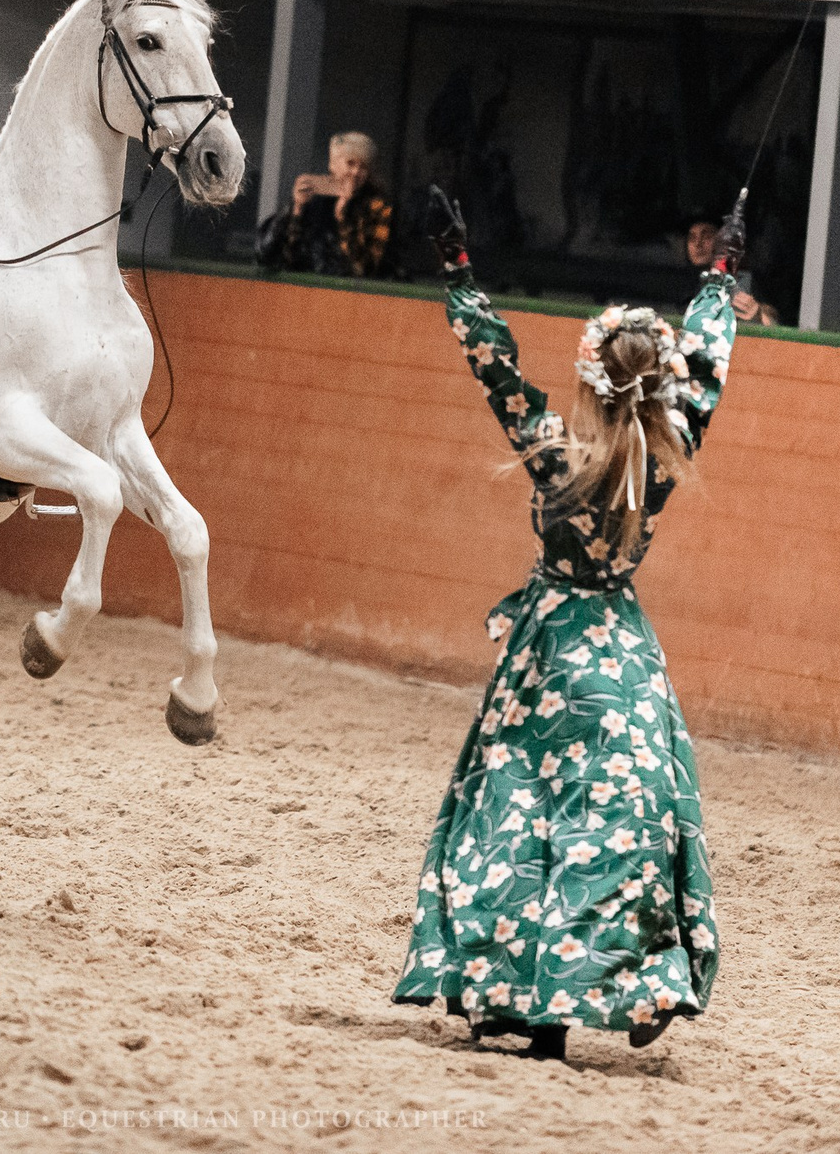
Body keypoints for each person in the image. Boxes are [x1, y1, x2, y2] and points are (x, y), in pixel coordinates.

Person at [393, 186, 732, 1062]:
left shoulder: (555, 451)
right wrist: (720, 278)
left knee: (512, 812)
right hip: (624, 655)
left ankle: (518, 998)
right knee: (618, 823)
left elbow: (493, 364)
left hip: (550, 650)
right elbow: (711, 359)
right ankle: (619, 981)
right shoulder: (669, 449)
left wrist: (459, 270)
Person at [256, 131, 393, 278]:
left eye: (363, 167)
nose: (355, 172)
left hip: (348, 295)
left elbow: (365, 269)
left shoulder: (377, 207)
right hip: (303, 291)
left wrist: (343, 219)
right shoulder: (314, 200)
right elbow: (267, 254)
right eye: (350, 163)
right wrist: (296, 209)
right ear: (333, 165)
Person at [682, 208, 778, 323]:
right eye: (692, 238)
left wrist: (757, 315)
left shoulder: (742, 281)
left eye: (707, 236)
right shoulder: (683, 282)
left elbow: (772, 319)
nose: (698, 244)